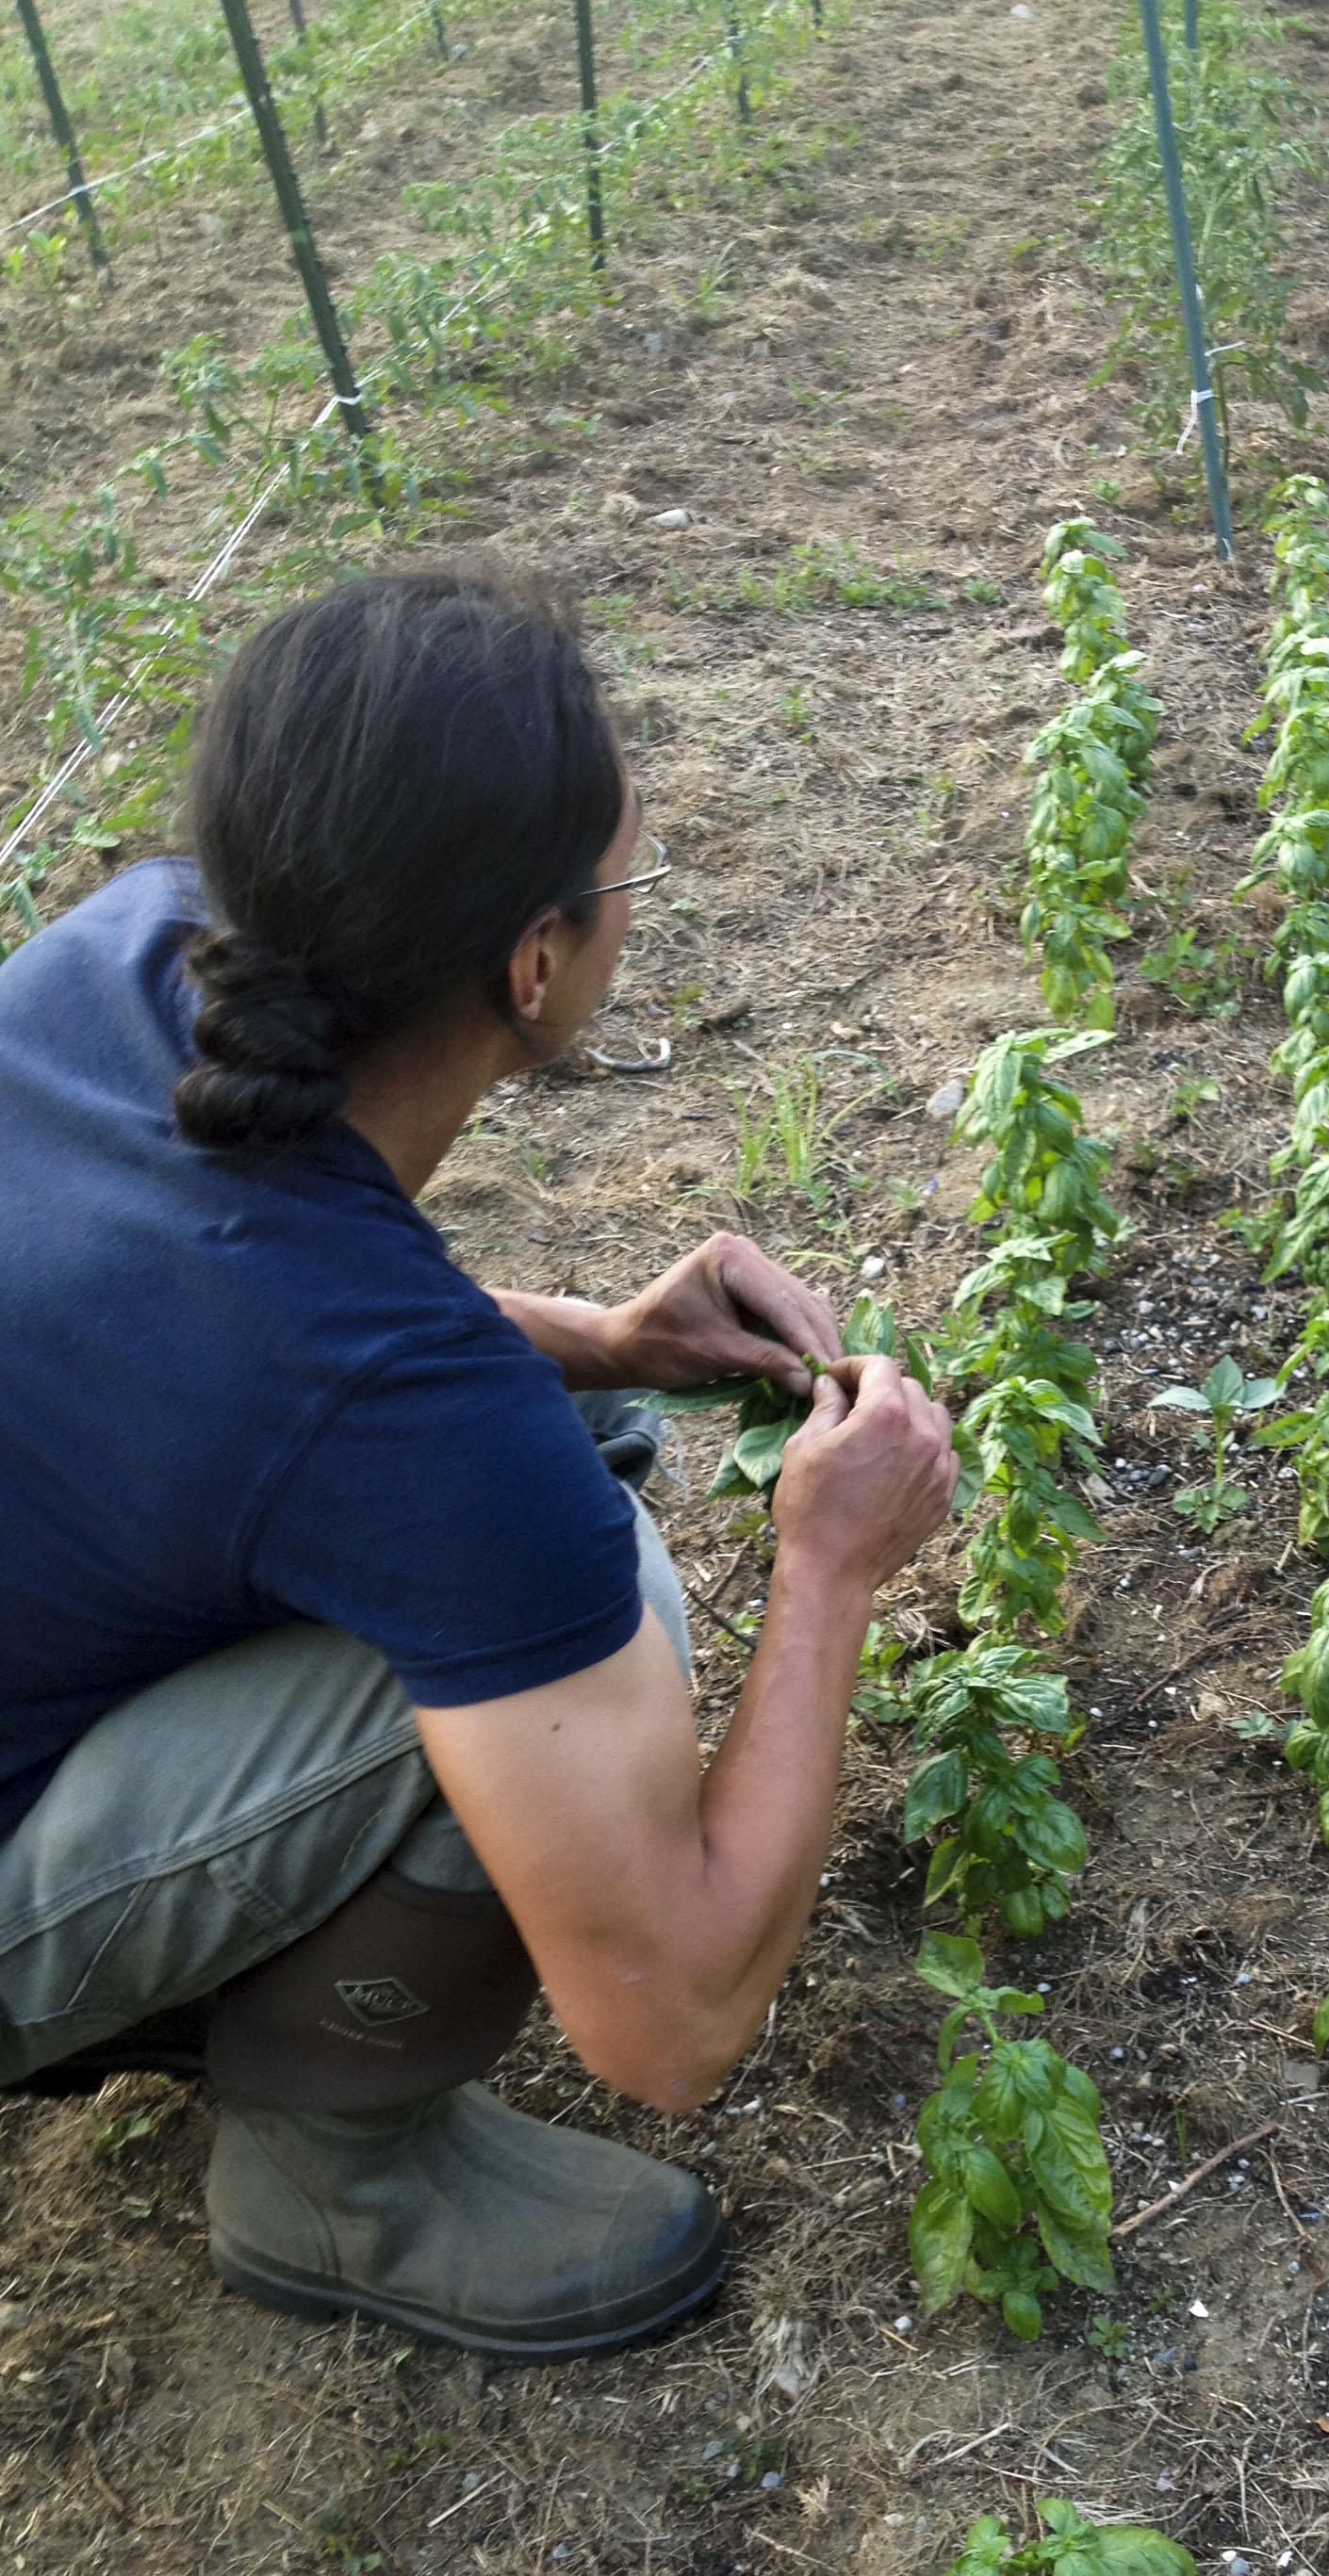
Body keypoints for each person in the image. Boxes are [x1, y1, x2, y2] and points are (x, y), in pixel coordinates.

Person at [0, 563, 957, 2358]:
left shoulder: (133, 953)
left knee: (562, 1448)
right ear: (534, 962)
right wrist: (829, 1576)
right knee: (599, 1580)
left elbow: (213, 1320)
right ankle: (337, 2181)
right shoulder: (430, 1441)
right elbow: (670, 2023)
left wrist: (604, 1340)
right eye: (621, 893)